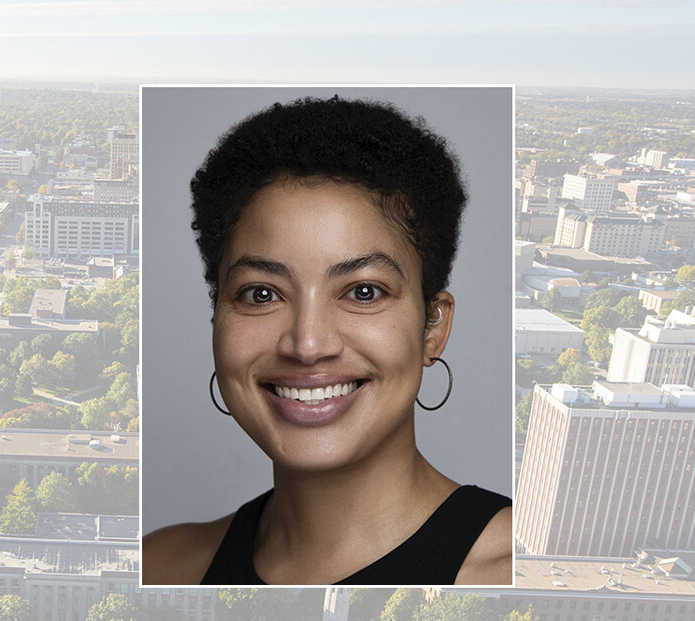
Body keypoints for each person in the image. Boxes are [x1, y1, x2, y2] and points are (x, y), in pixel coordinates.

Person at [142, 96, 511, 585]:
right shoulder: (162, 568)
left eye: (363, 292)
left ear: (434, 327)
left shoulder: (517, 578)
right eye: (261, 293)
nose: (308, 344)